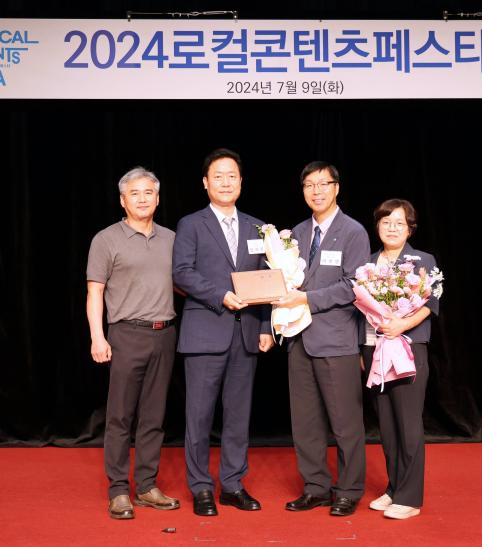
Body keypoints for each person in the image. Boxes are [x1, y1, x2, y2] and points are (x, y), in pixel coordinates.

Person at [173, 148, 274, 516]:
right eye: (218, 176)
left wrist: (265, 325)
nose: (226, 182)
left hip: (246, 334)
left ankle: (232, 484)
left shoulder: (258, 227)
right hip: (205, 332)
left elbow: (267, 278)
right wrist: (220, 295)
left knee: (237, 416)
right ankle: (201, 487)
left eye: (232, 176)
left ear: (241, 182)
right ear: (205, 183)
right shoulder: (191, 224)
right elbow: (181, 272)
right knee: (199, 416)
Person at [275, 161, 371, 517]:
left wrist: (306, 299)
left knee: (345, 423)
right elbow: (285, 278)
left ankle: (349, 489)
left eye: (323, 184)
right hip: (298, 338)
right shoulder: (296, 233)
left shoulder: (353, 232)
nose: (316, 191)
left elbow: (353, 285)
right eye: (309, 185)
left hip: (337, 340)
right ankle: (315, 487)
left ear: (336, 188)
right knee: (305, 422)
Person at [86, 167, 179, 520]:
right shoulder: (106, 239)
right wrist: (97, 336)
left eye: (148, 192)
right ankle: (118, 490)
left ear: (158, 198)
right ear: (123, 200)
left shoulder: (171, 238)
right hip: (126, 334)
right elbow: (95, 291)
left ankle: (146, 486)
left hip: (165, 333)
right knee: (120, 417)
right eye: (134, 193)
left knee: (154, 416)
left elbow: (184, 282)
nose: (142, 199)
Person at [361, 198, 440, 520]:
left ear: (410, 229)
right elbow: (360, 312)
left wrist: (401, 325)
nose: (392, 228)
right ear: (377, 226)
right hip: (375, 349)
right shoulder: (367, 263)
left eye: (399, 223)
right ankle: (394, 488)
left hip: (407, 346)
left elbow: (430, 304)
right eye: (386, 222)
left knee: (408, 424)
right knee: (388, 425)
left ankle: (409, 498)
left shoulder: (422, 260)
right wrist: (362, 351)